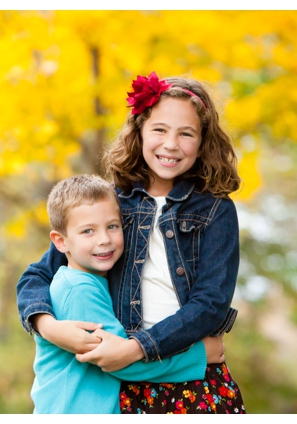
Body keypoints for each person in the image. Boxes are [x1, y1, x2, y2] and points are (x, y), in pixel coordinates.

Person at [17, 72, 245, 413]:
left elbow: (210, 304)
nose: (171, 144)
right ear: (139, 132)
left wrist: (137, 347)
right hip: (128, 382)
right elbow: (38, 275)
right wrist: (48, 327)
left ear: (202, 142)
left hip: (194, 374)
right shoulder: (113, 203)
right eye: (159, 129)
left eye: (186, 133)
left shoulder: (216, 209)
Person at [31, 174, 224, 414]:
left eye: (112, 226)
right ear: (60, 242)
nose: (104, 240)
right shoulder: (79, 289)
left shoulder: (92, 281)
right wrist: (199, 355)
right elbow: (119, 363)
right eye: (88, 231)